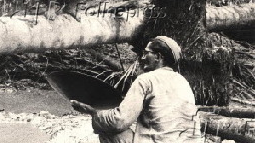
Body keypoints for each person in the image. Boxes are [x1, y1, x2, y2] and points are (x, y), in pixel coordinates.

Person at [71, 36, 204, 143]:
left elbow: (120, 121)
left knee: (108, 129)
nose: (142, 57)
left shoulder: (145, 80)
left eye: (146, 53)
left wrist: (94, 113)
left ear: (158, 57)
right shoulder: (183, 82)